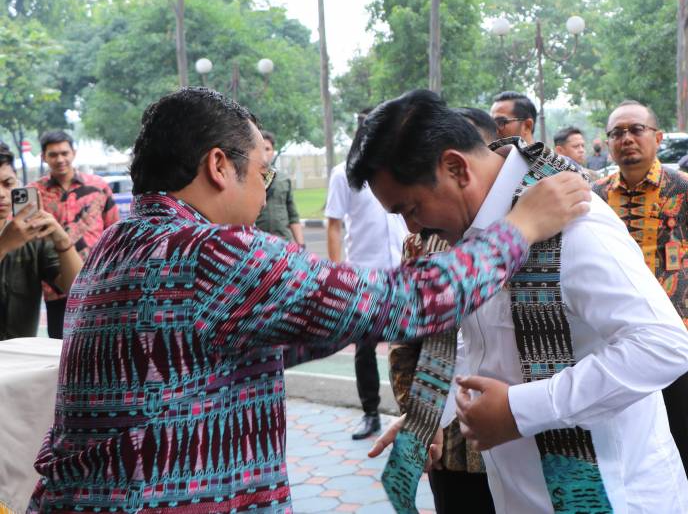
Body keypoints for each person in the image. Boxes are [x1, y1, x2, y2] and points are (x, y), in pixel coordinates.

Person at [26, 87, 590, 512]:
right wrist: (521, 227)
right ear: (219, 166)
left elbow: (258, 340)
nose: (264, 188)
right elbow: (403, 304)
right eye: (263, 172)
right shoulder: (212, 253)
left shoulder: (118, 243)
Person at [357, 90, 688, 513]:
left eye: (410, 208)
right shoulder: (473, 233)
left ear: (456, 168)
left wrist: (521, 409)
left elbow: (663, 346)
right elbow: (482, 343)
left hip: (616, 496)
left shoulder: (571, 221)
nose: (411, 227)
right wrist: (430, 417)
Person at [593, 100, 688, 514]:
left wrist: (680, 296)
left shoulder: (686, 188)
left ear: (657, 137)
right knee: (628, 444)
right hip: (616, 344)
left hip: (681, 339)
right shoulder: (596, 196)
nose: (627, 139)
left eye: (636, 130)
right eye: (617, 133)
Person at [387, 107, 498, 513]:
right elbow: (405, 341)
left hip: (522, 436)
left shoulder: (537, 227)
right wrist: (417, 416)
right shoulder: (423, 242)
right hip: (450, 445)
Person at [325, 109, 409, 440]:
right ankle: (370, 413)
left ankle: (411, 414)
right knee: (365, 347)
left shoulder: (402, 166)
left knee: (410, 345)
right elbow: (333, 224)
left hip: (403, 268)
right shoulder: (343, 174)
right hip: (364, 274)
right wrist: (338, 276)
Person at [30, 130, 118, 339]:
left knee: (101, 342)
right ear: (43, 157)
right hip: (56, 286)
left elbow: (114, 231)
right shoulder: (35, 192)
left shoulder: (98, 187)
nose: (60, 159)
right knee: (61, 346)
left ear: (74, 153)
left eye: (64, 153)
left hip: (97, 282)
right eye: (53, 154)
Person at [0, 143, 82, 340]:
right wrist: (4, 246)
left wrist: (62, 241)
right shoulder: (16, 237)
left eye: (8, 184)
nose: (1, 194)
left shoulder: (30, 237)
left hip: (19, 355)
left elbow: (78, 290)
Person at [254, 130, 305, 246]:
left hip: (283, 241)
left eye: (267, 149)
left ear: (273, 152)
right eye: (261, 149)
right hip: (258, 242)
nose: (264, 153)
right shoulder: (248, 180)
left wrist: (301, 244)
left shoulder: (283, 179)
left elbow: (293, 215)